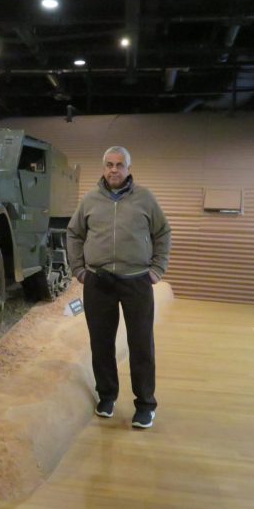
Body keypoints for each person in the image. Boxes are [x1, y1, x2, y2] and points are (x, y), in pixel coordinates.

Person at [66, 146, 171, 429]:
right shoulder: (90, 199)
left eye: (119, 165)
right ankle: (107, 397)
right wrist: (78, 269)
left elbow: (162, 232)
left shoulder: (145, 198)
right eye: (109, 165)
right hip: (98, 283)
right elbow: (74, 234)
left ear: (128, 168)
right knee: (101, 343)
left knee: (141, 344)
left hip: (136, 281)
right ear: (103, 168)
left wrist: (157, 268)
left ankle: (145, 405)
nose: (114, 169)